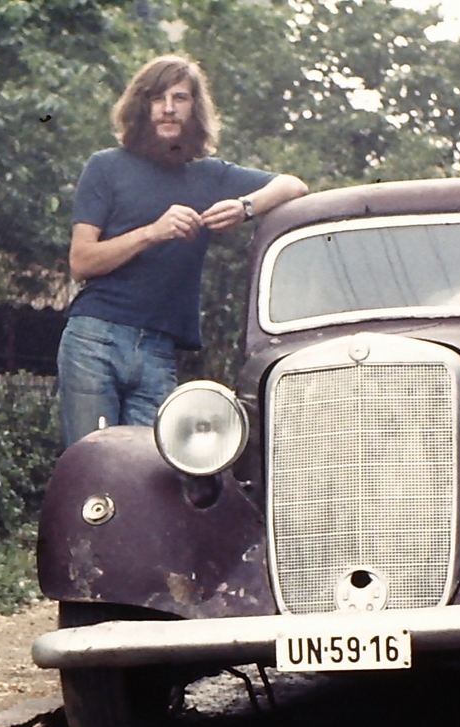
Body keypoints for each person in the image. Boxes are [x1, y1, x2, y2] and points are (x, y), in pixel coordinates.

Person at [58, 55, 308, 449]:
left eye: (180, 98)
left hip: (159, 351)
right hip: (95, 339)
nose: (169, 108)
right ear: (143, 106)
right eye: (158, 98)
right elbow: (81, 262)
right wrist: (152, 233)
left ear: (196, 109)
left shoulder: (211, 175)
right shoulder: (106, 167)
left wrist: (244, 208)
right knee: (93, 468)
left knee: (151, 476)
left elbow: (294, 186)